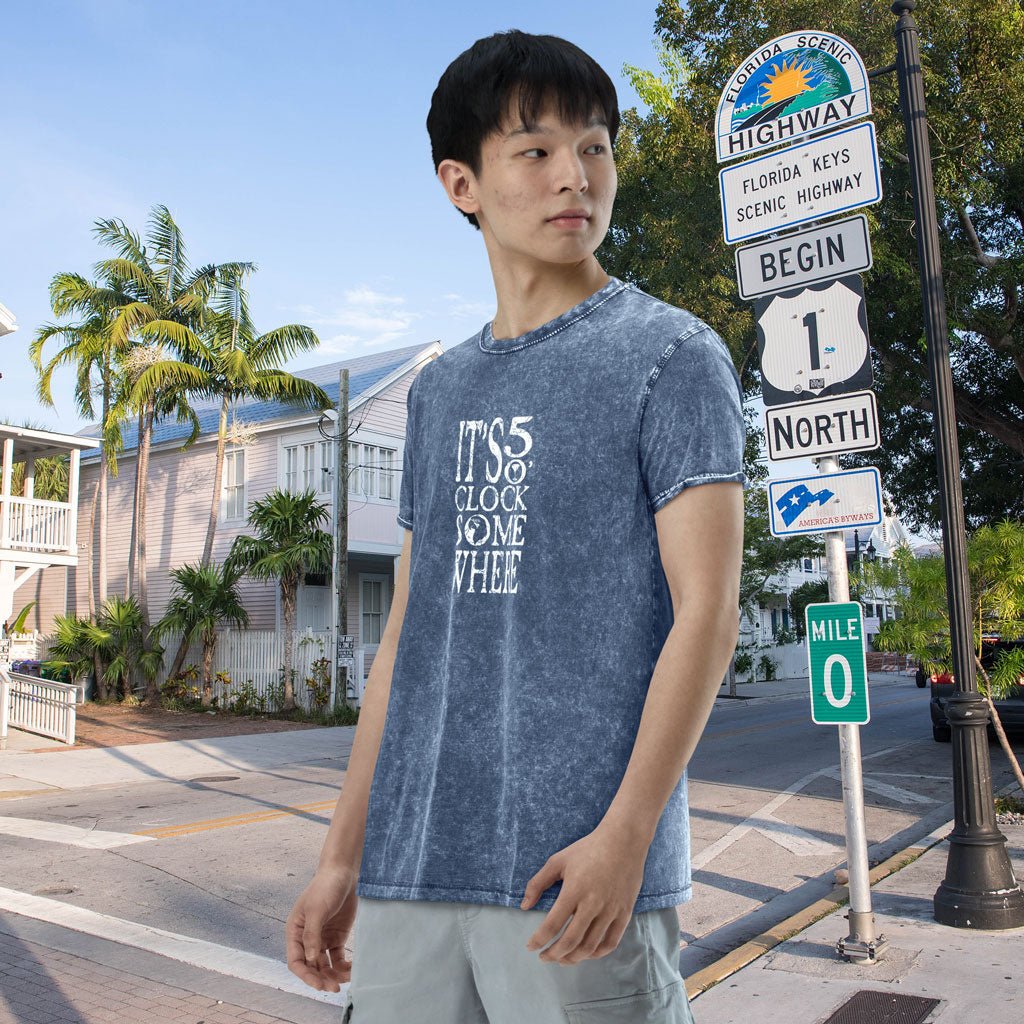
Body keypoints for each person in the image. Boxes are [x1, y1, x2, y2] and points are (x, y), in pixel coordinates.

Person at [286, 29, 745, 1023]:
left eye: (595, 145)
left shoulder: (671, 355)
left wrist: (625, 837)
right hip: (413, 879)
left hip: (572, 879)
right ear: (463, 183)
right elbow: (406, 636)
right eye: (534, 150)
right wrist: (341, 855)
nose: (574, 175)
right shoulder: (439, 390)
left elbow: (705, 612)